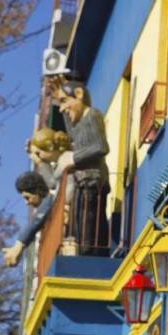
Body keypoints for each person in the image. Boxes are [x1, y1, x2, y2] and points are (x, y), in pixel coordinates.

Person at [54, 80, 111, 255]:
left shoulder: (92, 116)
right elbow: (72, 132)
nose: (62, 109)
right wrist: (62, 105)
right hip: (83, 182)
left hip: (93, 181)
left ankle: (89, 254)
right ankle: (85, 251)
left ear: (78, 95)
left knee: (89, 223)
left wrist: (74, 158)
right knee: (80, 223)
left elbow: (101, 147)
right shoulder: (78, 124)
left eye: (64, 101)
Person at [2, 171, 54, 267]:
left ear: (38, 191)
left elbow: (36, 220)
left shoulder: (53, 197)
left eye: (27, 197)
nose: (26, 203)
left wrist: (19, 246)